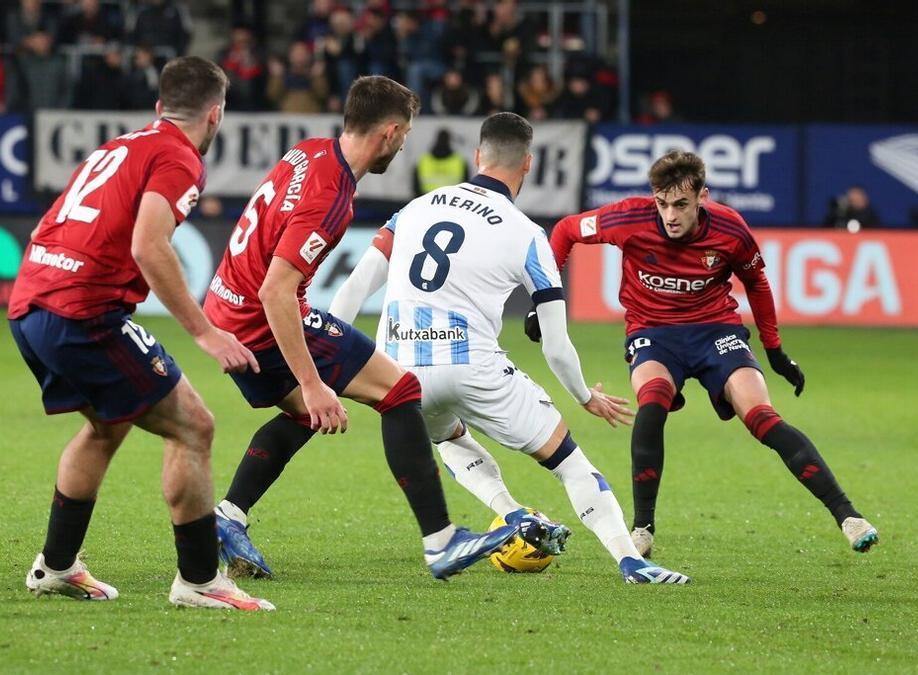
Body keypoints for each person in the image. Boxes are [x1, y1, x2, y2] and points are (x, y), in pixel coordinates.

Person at [329, 113, 691, 584]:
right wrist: (585, 396)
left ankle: (511, 512)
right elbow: (557, 345)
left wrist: (333, 365)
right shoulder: (526, 234)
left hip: (398, 371)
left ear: (477, 156)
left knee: (449, 438)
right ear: (529, 165)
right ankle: (632, 562)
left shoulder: (414, 209)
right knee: (569, 464)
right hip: (472, 367)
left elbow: (352, 291)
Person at [203, 76, 521, 581]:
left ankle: (228, 517)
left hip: (225, 307)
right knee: (400, 390)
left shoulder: (305, 153)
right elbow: (276, 292)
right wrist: (313, 383)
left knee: (305, 415)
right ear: (390, 133)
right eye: (406, 135)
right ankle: (441, 541)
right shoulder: (332, 198)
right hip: (261, 314)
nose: (405, 144)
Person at [7, 56, 274, 611]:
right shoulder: (178, 156)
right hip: (82, 313)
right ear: (216, 116)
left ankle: (56, 567)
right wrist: (205, 334)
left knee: (108, 426)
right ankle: (200, 581)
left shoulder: (118, 146)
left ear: (159, 107)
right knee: (194, 426)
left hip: (30, 305)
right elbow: (149, 246)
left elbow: (45, 226)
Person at [532, 150, 880, 558]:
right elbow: (566, 230)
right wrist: (546, 302)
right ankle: (643, 527)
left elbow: (757, 284)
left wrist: (775, 351)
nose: (670, 215)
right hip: (653, 332)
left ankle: (847, 515)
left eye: (681, 204)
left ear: (702, 197)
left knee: (762, 417)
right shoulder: (627, 217)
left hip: (716, 331)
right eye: (662, 204)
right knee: (653, 402)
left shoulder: (730, 228)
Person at [412, 127, 467, 196]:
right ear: (449, 140)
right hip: (452, 202)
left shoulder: (423, 161)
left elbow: (415, 187)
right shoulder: (460, 162)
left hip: (427, 202)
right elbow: (466, 187)